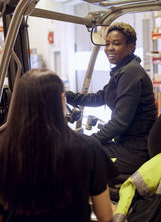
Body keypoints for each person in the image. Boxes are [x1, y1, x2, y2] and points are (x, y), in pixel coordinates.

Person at [0, 69, 118, 222]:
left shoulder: (4, 149)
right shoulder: (89, 149)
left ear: (18, 102)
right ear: (62, 100)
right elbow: (105, 216)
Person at [66, 22, 157, 176]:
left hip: (133, 151)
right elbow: (99, 97)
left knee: (73, 156)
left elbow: (119, 123)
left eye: (116, 44)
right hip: (129, 144)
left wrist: (89, 141)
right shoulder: (123, 70)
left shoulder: (130, 73)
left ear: (130, 47)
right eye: (107, 44)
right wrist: (67, 96)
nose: (109, 48)